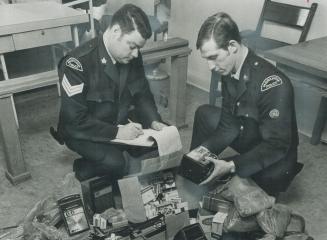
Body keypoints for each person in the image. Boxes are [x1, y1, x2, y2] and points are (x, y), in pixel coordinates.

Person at [190, 12, 301, 196]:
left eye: (213, 57)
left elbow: (277, 145)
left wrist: (231, 165)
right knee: (204, 113)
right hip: (252, 133)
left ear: (232, 46)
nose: (210, 66)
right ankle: (195, 170)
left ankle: (238, 175)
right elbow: (228, 126)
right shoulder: (227, 66)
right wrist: (198, 156)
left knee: (252, 187)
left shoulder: (273, 83)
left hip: (276, 157)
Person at [52, 3, 165, 181]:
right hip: (82, 129)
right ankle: (83, 169)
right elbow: (75, 121)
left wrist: (154, 121)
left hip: (118, 118)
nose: (136, 54)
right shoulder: (77, 63)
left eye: (139, 48)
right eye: (132, 45)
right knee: (116, 163)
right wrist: (118, 133)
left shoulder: (131, 56)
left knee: (160, 142)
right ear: (115, 31)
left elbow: (142, 93)